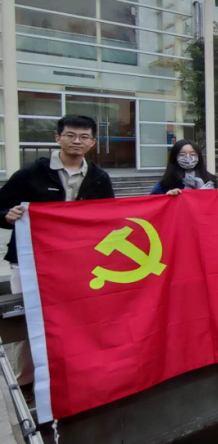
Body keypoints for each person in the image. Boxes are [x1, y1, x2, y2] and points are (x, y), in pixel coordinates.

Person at [0, 114, 115, 395]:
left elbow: (110, 217)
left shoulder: (99, 177)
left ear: (92, 143)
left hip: (76, 263)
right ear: (58, 138)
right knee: (27, 322)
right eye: (70, 135)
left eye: (84, 137)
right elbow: (1, 206)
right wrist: (8, 216)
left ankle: (70, 374)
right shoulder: (32, 172)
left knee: (75, 318)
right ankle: (25, 383)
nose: (77, 141)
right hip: (29, 261)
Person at [150, 140, 218, 195]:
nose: (188, 158)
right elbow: (153, 204)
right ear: (174, 158)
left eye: (193, 154)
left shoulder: (211, 181)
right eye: (182, 155)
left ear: (199, 157)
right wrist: (166, 198)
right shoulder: (165, 185)